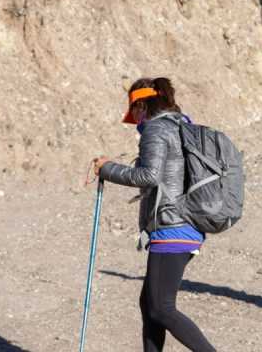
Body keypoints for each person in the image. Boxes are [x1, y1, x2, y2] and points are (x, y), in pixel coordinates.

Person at [92, 77, 216, 352]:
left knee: (160, 308)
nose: (134, 121)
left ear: (141, 106)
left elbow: (149, 175)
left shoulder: (156, 130)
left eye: (133, 112)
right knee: (150, 305)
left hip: (173, 226)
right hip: (186, 224)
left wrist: (107, 169)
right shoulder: (182, 125)